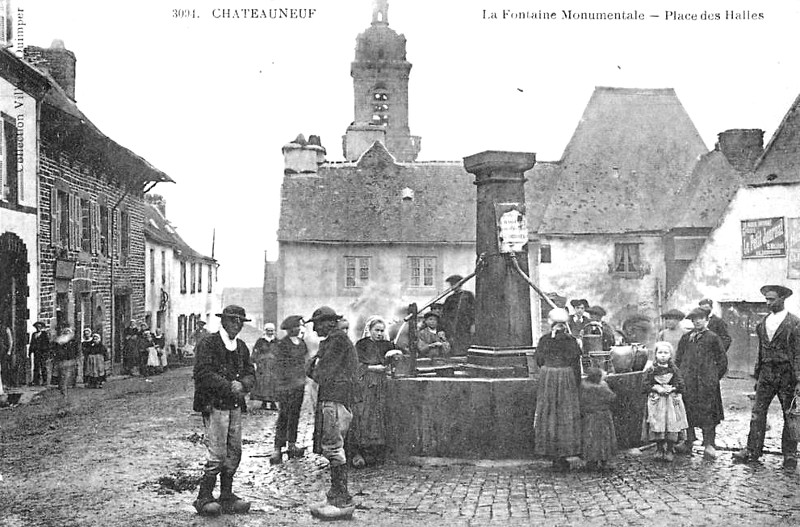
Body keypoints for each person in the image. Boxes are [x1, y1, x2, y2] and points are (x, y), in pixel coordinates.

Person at [192, 305, 255, 516]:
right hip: (215, 403)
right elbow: (203, 373)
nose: (236, 325)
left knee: (234, 452)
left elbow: (250, 372)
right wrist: (229, 385)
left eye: (240, 322)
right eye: (232, 320)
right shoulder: (208, 344)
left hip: (234, 405)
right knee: (217, 453)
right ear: (223, 321)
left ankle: (226, 496)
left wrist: (244, 384)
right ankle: (204, 496)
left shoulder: (242, 347)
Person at [733, 285, 800, 470]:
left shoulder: (794, 322)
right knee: (757, 413)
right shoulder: (763, 323)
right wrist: (757, 375)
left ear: (782, 299)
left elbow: (798, 353)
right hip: (766, 373)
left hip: (787, 374)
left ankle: (790, 454)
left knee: (790, 415)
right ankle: (753, 450)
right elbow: (761, 351)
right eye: (767, 299)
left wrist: (799, 379)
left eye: (772, 299)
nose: (768, 302)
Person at [306, 306, 358, 519]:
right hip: (335, 397)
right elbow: (313, 368)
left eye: (317, 324)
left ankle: (341, 500)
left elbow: (320, 372)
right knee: (334, 447)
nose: (315, 328)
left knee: (334, 449)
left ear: (327, 323)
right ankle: (334, 495)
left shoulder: (336, 341)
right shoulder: (335, 340)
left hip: (335, 398)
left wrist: (316, 364)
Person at [674, 308, 727, 459]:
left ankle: (709, 445)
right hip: (689, 382)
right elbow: (678, 359)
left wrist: (713, 378)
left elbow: (722, 361)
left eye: (701, 318)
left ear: (707, 320)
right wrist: (681, 376)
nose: (697, 321)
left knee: (708, 413)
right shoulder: (686, 338)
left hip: (706, 384)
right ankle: (688, 441)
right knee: (688, 410)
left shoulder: (713, 337)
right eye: (694, 319)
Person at [534, 308, 582, 469]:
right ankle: (562, 453)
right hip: (565, 377)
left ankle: (553, 452)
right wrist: (576, 384)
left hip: (549, 378)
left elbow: (539, 360)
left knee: (550, 413)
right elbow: (576, 363)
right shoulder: (571, 340)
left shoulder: (545, 340)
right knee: (564, 413)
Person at [350, 316, 395, 468]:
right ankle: (361, 451)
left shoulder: (387, 345)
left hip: (383, 384)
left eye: (382, 331)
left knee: (380, 416)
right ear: (369, 331)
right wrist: (372, 368)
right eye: (376, 330)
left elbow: (394, 361)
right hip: (367, 384)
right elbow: (355, 365)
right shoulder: (362, 345)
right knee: (365, 415)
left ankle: (376, 452)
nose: (379, 334)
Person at [270, 315, 309, 465]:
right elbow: (278, 366)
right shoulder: (282, 344)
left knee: (295, 414)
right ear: (290, 328)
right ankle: (277, 448)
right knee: (284, 416)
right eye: (296, 326)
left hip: (298, 385)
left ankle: (292, 444)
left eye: (299, 326)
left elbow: (304, 362)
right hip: (285, 386)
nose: (298, 329)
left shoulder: (302, 343)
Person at [642, 341, 688, 462]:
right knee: (658, 423)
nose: (663, 355)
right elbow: (645, 385)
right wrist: (655, 388)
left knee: (671, 424)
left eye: (666, 353)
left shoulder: (674, 369)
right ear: (655, 355)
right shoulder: (651, 370)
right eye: (660, 352)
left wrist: (673, 388)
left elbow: (681, 384)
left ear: (670, 355)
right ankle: (659, 448)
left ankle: (669, 449)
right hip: (657, 402)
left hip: (671, 402)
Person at [580, 368, 617, 471]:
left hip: (589, 417)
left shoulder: (583, 385)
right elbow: (611, 397)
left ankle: (591, 461)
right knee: (604, 439)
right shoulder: (603, 386)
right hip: (603, 416)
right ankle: (604, 460)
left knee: (590, 439)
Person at [441, 274, 475, 356]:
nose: (453, 286)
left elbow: (473, 310)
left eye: (455, 284)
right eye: (451, 284)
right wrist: (442, 328)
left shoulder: (468, 295)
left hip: (465, 325)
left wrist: (473, 324)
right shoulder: (449, 298)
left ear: (460, 284)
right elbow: (444, 314)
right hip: (452, 326)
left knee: (465, 343)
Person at [251, 323, 280, 410]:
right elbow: (255, 352)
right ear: (265, 331)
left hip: (273, 366)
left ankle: (272, 403)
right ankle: (264, 402)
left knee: (273, 383)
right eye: (268, 331)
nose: (270, 332)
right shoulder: (260, 341)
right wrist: (255, 361)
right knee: (263, 383)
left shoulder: (277, 341)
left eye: (272, 331)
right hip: (262, 365)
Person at [52, 326, 80, 399]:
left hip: (71, 359)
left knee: (69, 375)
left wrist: (76, 358)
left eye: (68, 332)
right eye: (65, 332)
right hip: (62, 360)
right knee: (62, 375)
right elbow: (55, 349)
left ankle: (67, 388)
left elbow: (77, 351)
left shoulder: (73, 341)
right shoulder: (59, 341)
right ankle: (63, 389)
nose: (67, 334)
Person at [28, 322, 51, 387]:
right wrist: (30, 352)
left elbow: (47, 344)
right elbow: (31, 343)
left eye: (39, 327)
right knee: (36, 367)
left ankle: (44, 381)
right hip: (36, 353)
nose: (38, 328)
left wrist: (46, 352)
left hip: (42, 353)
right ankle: (36, 381)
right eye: (37, 327)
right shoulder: (34, 334)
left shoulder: (44, 334)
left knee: (43, 366)